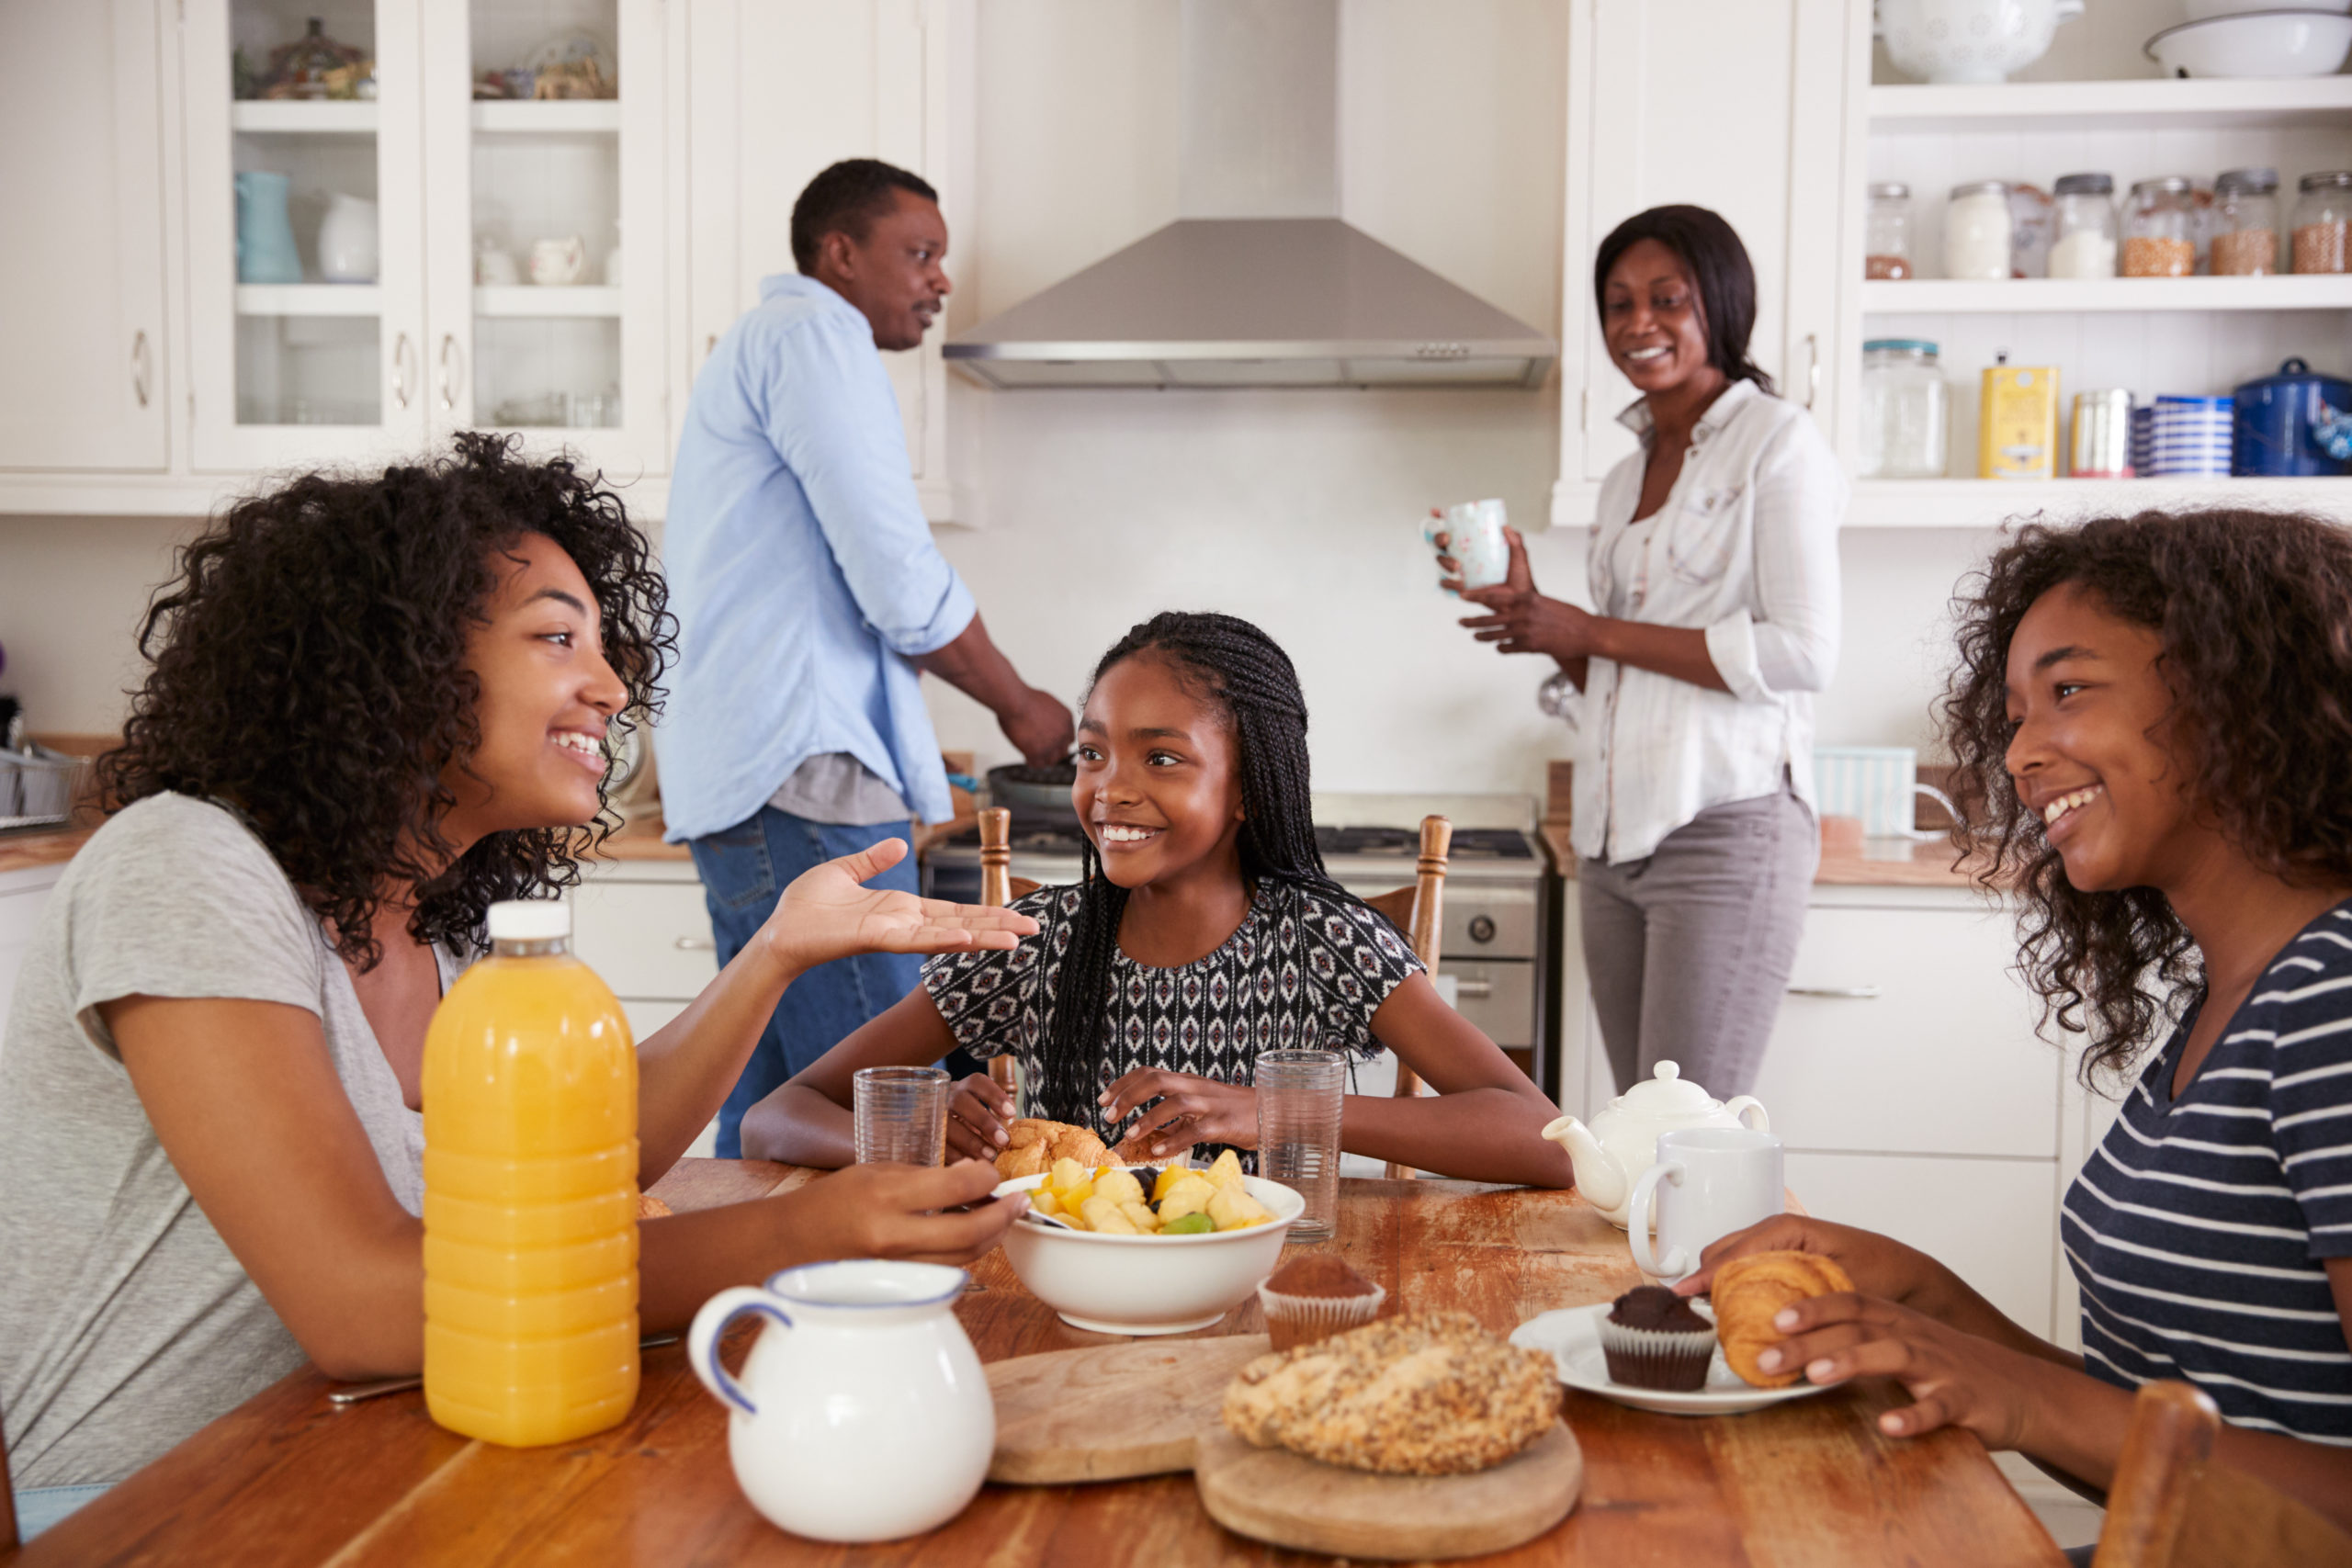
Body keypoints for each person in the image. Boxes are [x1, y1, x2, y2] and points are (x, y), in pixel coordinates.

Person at [0, 438, 1036, 1540]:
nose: (611, 686)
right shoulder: (186, 866)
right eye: (556, 638)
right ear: (394, 662)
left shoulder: (434, 934)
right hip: (153, 1508)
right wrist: (801, 1236)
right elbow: (362, 1304)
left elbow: (575, 1174)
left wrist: (777, 951)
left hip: (358, 1453)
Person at [1680, 510, 2352, 1547]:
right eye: (2013, 713)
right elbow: (2170, 1455)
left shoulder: (2331, 1001)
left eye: (2068, 691)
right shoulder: (2235, 999)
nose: (2022, 752)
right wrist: (1928, 1305)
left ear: (2235, 690)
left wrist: (2020, 1392)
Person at [741, 611, 1575, 1189]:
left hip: (1268, 1295)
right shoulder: (1039, 941)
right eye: (1092, 753)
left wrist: (1273, 1111)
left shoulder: (1322, 940)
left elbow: (1542, 1140)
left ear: (1248, 787)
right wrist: (914, 1138)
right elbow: (776, 1117)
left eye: (1162, 758)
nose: (1110, 790)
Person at [661, 157, 1073, 1156]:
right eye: (919, 254)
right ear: (839, 254)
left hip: (759, 775)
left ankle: (742, 1311)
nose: (939, 281)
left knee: (766, 1111)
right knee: (893, 1113)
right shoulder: (813, 333)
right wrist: (1021, 707)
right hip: (801, 772)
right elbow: (895, 574)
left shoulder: (773, 344)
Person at [1433, 205, 1844, 1100]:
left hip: (1725, 822)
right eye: (1617, 303)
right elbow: (1620, 677)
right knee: (1638, 1129)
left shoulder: (1777, 442)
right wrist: (1539, 619)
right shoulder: (1623, 477)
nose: (1637, 323)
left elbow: (1803, 651)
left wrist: (1587, 630)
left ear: (1722, 308)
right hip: (1613, 837)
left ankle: (1732, 1253)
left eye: (1667, 298)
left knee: (1687, 1136)